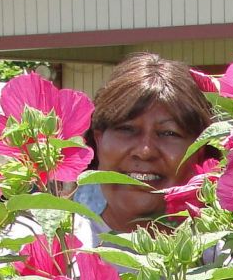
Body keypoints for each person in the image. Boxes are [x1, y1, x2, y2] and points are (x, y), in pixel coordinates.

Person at [71, 53, 217, 237]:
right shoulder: (54, 249)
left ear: (200, 149)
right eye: (127, 129)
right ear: (98, 140)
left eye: (168, 133)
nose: (144, 151)